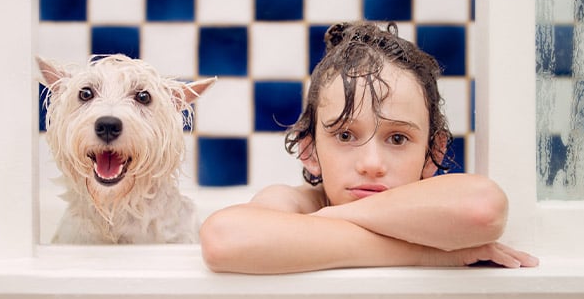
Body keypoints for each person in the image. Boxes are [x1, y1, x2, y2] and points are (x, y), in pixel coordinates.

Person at [199, 21, 539, 274]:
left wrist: (331, 217)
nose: (372, 164)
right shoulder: (296, 202)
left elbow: (484, 208)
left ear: (432, 153)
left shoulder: (317, 213)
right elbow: (223, 238)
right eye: (345, 136)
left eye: (397, 138)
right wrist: (428, 254)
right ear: (310, 150)